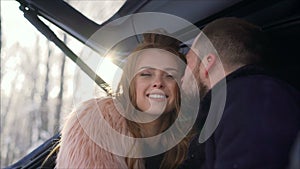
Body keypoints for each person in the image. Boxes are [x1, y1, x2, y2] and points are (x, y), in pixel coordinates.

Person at [55, 32, 195, 169]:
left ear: (181, 86)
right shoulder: (96, 127)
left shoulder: (189, 143)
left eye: (170, 75)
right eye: (146, 74)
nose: (158, 82)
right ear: (130, 83)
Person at [180, 17, 300, 169]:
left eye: (188, 62)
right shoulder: (232, 106)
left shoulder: (252, 98)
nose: (182, 77)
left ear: (207, 63)